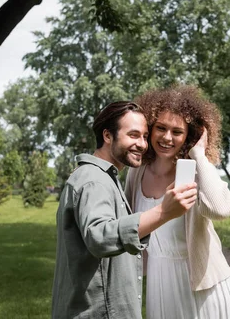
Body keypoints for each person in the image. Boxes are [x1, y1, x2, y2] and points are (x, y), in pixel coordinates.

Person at [52, 101, 198, 319]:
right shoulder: (95, 181)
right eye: (133, 135)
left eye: (144, 136)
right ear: (108, 136)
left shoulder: (102, 178)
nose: (142, 144)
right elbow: (100, 236)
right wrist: (164, 212)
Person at [125, 85, 230, 319]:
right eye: (161, 128)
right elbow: (127, 227)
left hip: (204, 288)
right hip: (160, 282)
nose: (167, 138)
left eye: (177, 132)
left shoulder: (195, 172)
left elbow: (221, 209)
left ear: (189, 136)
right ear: (150, 129)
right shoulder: (136, 174)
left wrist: (198, 155)